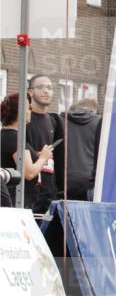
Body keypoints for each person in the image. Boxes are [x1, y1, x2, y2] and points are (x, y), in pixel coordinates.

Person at [1, 92, 53, 208]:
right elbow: (29, 173)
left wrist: (37, 156)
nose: (31, 111)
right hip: (16, 202)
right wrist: (43, 157)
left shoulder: (7, 135)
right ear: (20, 112)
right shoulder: (15, 138)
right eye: (29, 108)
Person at [26, 74, 63, 214]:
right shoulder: (24, 119)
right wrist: (38, 156)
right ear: (30, 92)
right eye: (40, 87)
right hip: (30, 191)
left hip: (50, 192)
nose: (46, 91)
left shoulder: (54, 121)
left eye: (49, 88)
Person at [59, 98, 101, 200]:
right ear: (94, 110)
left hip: (65, 181)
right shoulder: (99, 123)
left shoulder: (61, 121)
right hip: (90, 181)